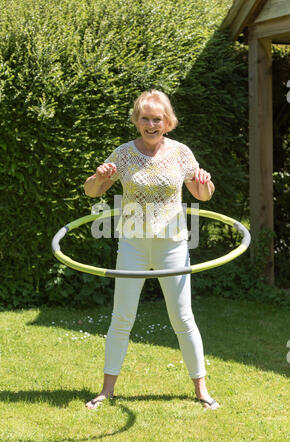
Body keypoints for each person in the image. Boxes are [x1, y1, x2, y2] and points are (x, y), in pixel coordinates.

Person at [83, 89, 219, 410]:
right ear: (137, 120)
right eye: (145, 118)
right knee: (122, 317)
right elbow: (92, 190)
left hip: (172, 244)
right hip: (133, 244)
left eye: (157, 119)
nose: (150, 124)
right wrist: (98, 176)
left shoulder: (181, 153)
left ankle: (202, 391)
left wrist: (203, 181)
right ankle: (106, 390)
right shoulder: (124, 154)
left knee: (183, 318)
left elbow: (204, 195)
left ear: (167, 122)